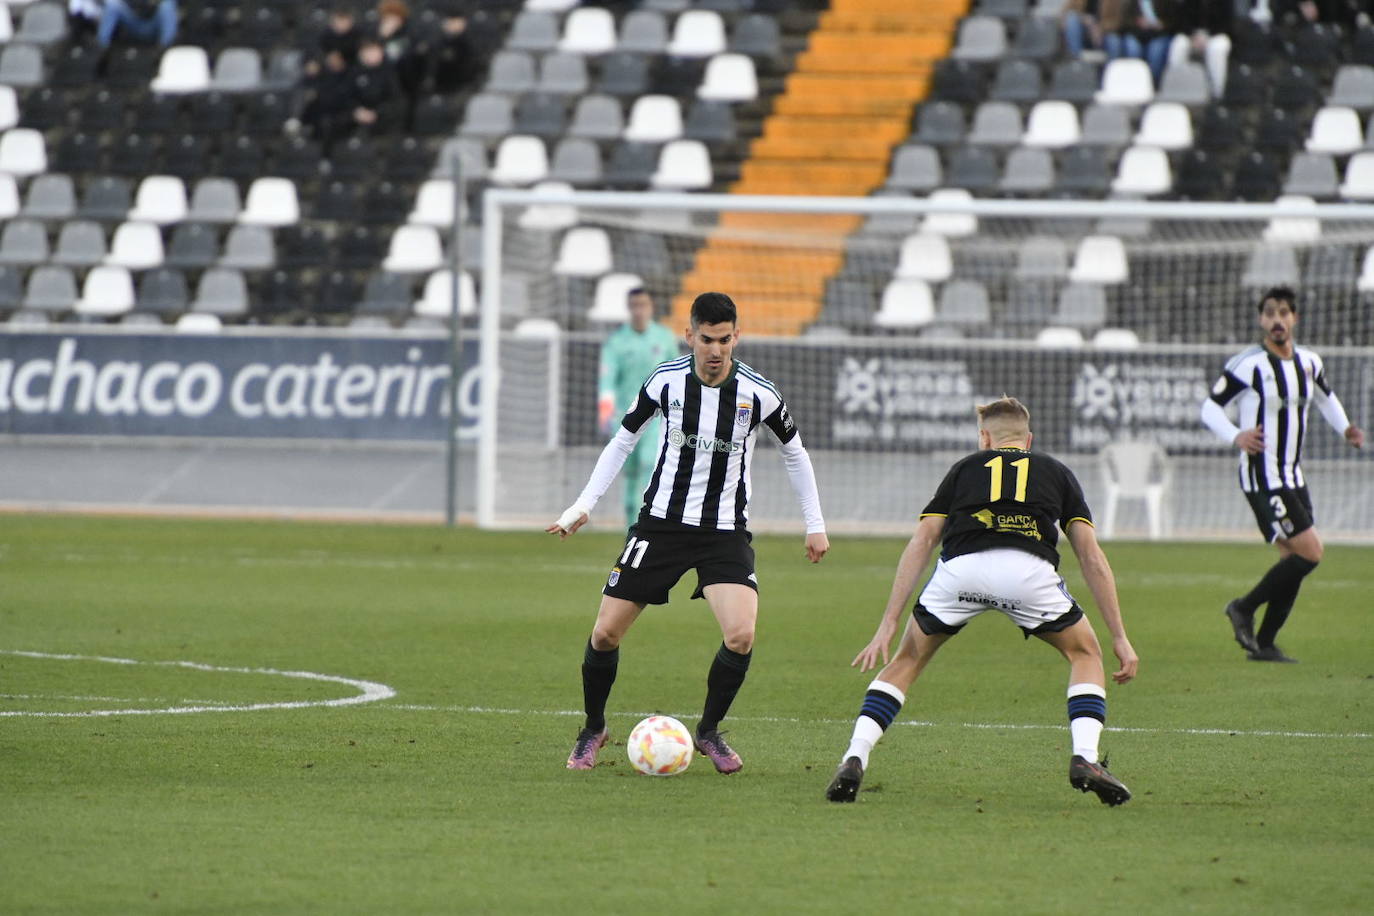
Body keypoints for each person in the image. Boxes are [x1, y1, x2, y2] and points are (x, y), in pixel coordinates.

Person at [548, 292, 830, 774]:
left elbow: (795, 453)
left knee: (741, 634)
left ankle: (709, 731)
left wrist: (815, 523)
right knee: (605, 633)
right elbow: (623, 441)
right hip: (661, 525)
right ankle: (593, 728)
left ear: (736, 336)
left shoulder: (759, 393)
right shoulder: (665, 381)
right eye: (707, 339)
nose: (716, 350)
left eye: (725, 339)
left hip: (724, 533)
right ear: (690, 335)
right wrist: (583, 505)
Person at [825, 397, 1138, 806]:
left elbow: (922, 542)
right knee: (1085, 652)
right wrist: (1120, 636)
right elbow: (1091, 557)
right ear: (1028, 440)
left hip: (961, 572)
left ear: (984, 439)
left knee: (905, 661)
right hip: (1028, 573)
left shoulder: (963, 469)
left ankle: (854, 756)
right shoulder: (1057, 471)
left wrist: (888, 622)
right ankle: (1085, 758)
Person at [1201, 286, 1364, 663]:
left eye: (1284, 312)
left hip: (1293, 475)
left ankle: (1266, 643)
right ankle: (1242, 607)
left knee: (1292, 559)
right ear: (1262, 320)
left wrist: (1347, 429)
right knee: (1311, 553)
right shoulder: (1248, 364)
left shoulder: (1309, 362)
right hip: (1263, 476)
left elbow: (1326, 398)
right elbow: (1210, 409)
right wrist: (1235, 435)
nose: (1277, 319)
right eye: (1270, 313)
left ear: (1295, 319)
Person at [597, 288, 680, 528]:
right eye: (634, 306)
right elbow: (607, 382)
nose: (639, 311)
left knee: (649, 464)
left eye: (643, 305)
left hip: (657, 418)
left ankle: (643, 525)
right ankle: (630, 526)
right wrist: (606, 416)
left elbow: (676, 376)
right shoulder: (616, 342)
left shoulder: (664, 338)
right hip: (626, 417)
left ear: (651, 307)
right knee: (630, 474)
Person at [428, 6, 479, 94]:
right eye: (451, 21)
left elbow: (470, 67)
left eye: (457, 21)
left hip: (461, 87)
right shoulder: (439, 41)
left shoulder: (469, 43)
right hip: (439, 86)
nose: (454, 24)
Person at [88, 0, 178, 49]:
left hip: (153, 24)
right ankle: (101, 46)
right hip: (133, 22)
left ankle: (165, 48)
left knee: (168, 4)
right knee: (113, 4)